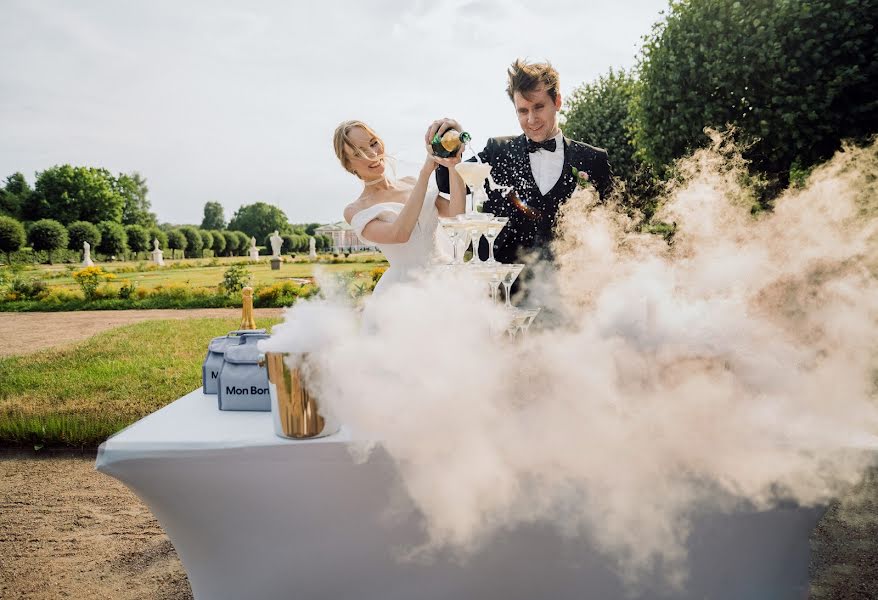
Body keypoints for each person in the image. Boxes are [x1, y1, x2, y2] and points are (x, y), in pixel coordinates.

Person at [432, 59, 613, 266]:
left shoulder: (592, 159)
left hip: (569, 283)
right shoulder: (497, 151)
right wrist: (450, 146)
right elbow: (448, 183)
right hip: (500, 284)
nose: (531, 119)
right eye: (523, 111)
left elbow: (611, 222)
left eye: (539, 107)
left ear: (558, 102)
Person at [334, 120, 467, 296]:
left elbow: (456, 213)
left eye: (374, 144)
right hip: (403, 293)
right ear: (348, 164)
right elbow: (399, 233)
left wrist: (453, 165)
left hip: (445, 280)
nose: (373, 154)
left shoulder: (411, 183)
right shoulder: (355, 210)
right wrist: (425, 173)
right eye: (360, 152)